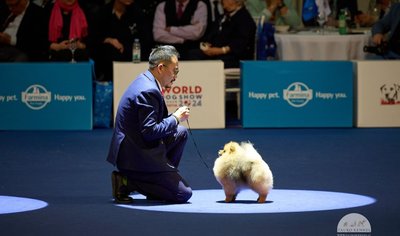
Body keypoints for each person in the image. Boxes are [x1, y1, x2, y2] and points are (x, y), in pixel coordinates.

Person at [107, 45, 193, 204]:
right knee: (184, 194)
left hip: (136, 146)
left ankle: (160, 178)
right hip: (134, 156)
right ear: (161, 67)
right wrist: (175, 117)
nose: (175, 76)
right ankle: (127, 182)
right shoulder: (148, 90)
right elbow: (150, 131)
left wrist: (174, 120)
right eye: (175, 71)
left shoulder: (145, 79)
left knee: (180, 132)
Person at [187, 0, 256, 68]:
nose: (222, 1)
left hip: (234, 55)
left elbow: (241, 43)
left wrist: (221, 50)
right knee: (193, 54)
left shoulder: (245, 19)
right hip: (215, 50)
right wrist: (206, 44)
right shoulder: (222, 17)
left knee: (218, 62)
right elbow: (211, 34)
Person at [91, 0, 146, 81]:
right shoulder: (102, 12)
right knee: (109, 50)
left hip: (132, 54)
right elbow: (93, 38)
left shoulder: (137, 13)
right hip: (109, 58)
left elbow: (145, 39)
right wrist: (107, 40)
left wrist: (125, 46)